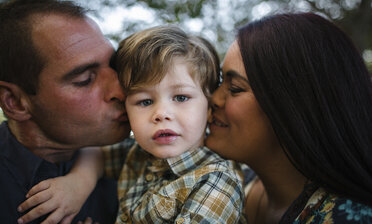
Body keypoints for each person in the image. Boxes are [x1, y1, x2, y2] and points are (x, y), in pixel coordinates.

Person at [18, 26, 245, 223]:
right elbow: (97, 154)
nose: (161, 114)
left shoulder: (216, 181)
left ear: (208, 106)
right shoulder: (137, 154)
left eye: (181, 98)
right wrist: (78, 184)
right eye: (145, 101)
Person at [206, 12, 372, 223]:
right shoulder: (225, 187)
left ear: (292, 107)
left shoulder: (346, 217)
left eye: (235, 88)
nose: (214, 98)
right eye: (220, 81)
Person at [0, 0, 131, 223]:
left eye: (114, 66)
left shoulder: (139, 165)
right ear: (15, 102)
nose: (121, 91)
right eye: (85, 80)